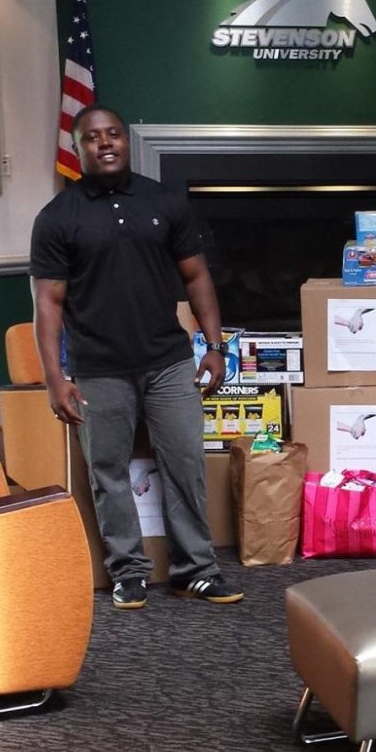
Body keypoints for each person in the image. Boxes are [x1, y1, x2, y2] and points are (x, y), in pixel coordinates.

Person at [29, 104, 243, 611]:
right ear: (77, 149)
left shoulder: (163, 200)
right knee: (107, 471)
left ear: (126, 141)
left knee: (186, 463)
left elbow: (197, 278)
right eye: (92, 138)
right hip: (98, 368)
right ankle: (128, 572)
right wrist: (55, 378)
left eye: (114, 134)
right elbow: (49, 303)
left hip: (168, 361)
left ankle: (197, 570)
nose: (105, 144)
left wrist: (215, 346)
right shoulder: (58, 217)